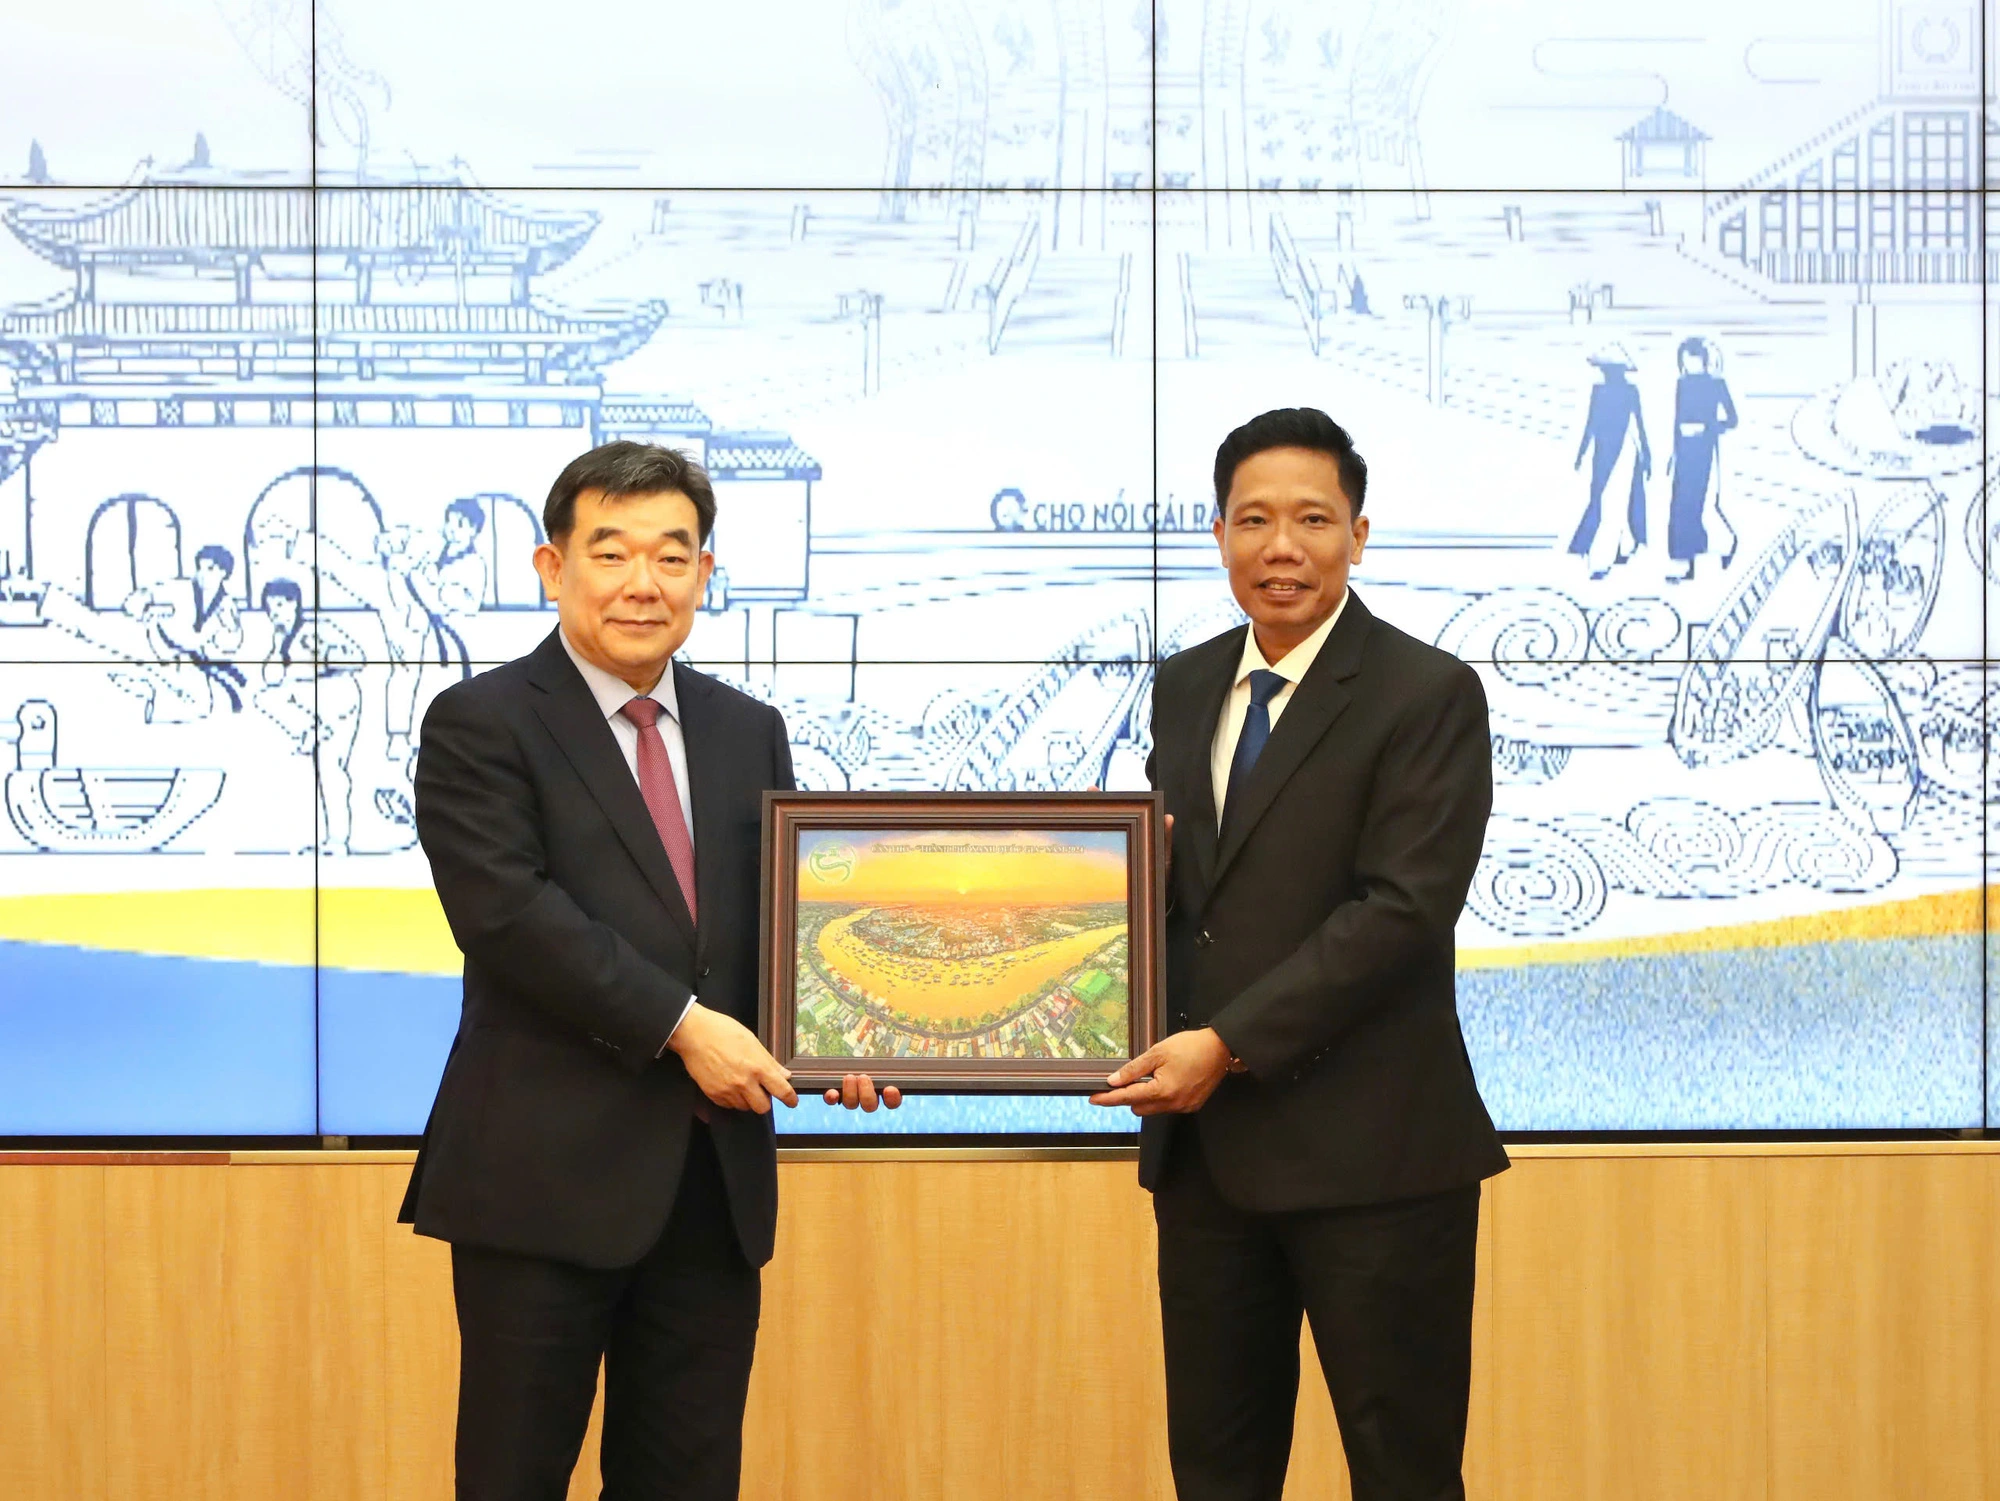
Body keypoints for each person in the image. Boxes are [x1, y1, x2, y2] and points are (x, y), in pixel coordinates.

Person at [399, 441, 897, 1501]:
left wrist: (847, 1033)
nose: (642, 583)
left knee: (687, 1480)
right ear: (551, 566)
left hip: (708, 1188)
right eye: (611, 551)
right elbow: (510, 917)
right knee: (511, 1477)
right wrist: (684, 1026)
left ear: (704, 576)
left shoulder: (745, 729)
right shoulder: (480, 723)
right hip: (540, 1183)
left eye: (672, 556)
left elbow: (771, 933)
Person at [1094, 408, 1508, 1501]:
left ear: (1357, 535)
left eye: (1312, 519)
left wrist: (1224, 1043)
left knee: (1401, 1469)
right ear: (1218, 533)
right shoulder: (1185, 685)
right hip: (1208, 1164)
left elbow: (1399, 911)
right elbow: (1174, 892)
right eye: (1254, 519)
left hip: (1375, 1160)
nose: (1282, 546)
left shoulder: (1425, 694)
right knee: (1216, 1472)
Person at [254, 578, 366, 854]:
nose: (274, 613)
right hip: (311, 702)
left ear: (294, 603)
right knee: (327, 769)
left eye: (279, 606)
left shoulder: (319, 629)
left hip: (338, 695)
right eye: (270, 609)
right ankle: (311, 728)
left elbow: (358, 658)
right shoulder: (281, 638)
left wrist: (327, 656)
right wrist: (278, 647)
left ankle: (337, 840)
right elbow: (270, 678)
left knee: (332, 769)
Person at [1568, 345, 1652, 580]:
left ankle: (1603, 557)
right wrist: (1582, 452)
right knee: (1603, 498)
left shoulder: (1629, 392)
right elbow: (1591, 423)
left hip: (1623, 449)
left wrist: (1646, 453)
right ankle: (1607, 548)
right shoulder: (1600, 391)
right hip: (1604, 451)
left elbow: (1638, 423)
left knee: (1614, 500)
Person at [1665, 336, 1739, 581]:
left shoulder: (1715, 384)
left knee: (1697, 505)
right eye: (1685, 361)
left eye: (1693, 360)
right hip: (1684, 452)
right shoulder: (1681, 384)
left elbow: (1732, 419)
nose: (1689, 365)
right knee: (1678, 507)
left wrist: (1706, 428)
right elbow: (1676, 420)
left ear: (1703, 361)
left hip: (1704, 451)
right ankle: (1684, 563)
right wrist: (1673, 454)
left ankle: (1726, 543)